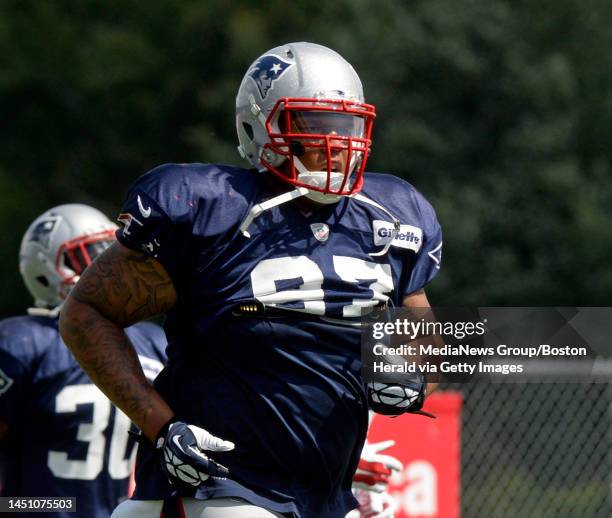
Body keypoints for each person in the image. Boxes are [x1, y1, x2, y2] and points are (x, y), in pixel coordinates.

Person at [59, 42, 443, 518]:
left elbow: (418, 320)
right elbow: (86, 312)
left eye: (346, 127)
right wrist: (162, 426)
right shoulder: (207, 208)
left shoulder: (394, 213)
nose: (335, 144)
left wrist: (410, 371)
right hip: (218, 485)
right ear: (256, 126)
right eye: (311, 126)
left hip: (325, 494)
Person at [0, 204, 167, 518]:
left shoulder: (154, 340)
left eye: (109, 251)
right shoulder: (21, 341)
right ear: (46, 271)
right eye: (89, 254)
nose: (104, 267)